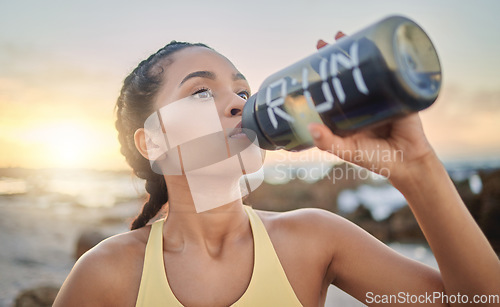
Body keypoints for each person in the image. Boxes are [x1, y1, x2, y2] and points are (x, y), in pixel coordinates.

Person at [54, 38, 500, 307]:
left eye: (244, 90)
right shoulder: (107, 274)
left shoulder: (313, 240)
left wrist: (416, 168)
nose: (237, 103)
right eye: (201, 93)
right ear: (152, 141)